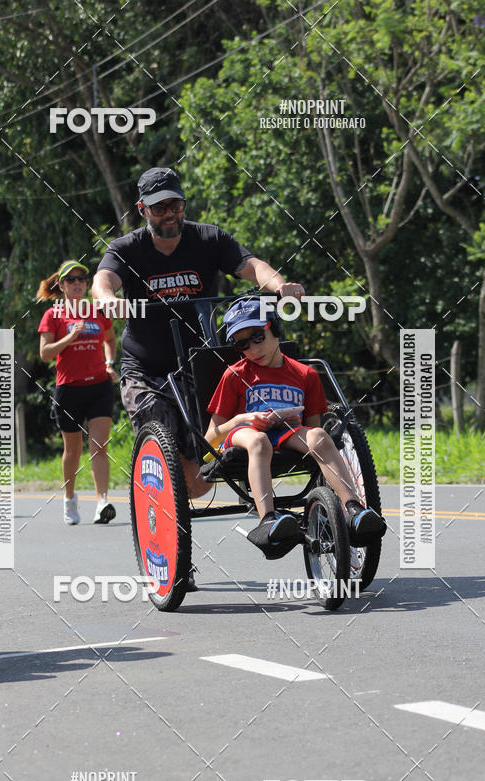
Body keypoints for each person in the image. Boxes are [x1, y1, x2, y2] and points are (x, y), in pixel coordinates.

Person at [91, 166, 306, 502]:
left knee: (200, 482)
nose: (169, 214)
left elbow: (252, 266)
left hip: (197, 365)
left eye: (175, 205)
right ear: (142, 209)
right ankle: (156, 496)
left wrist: (280, 286)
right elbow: (103, 281)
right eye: (159, 208)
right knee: (158, 425)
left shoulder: (208, 238)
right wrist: (108, 300)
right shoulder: (127, 248)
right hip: (146, 368)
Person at [204, 297, 387, 554]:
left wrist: (294, 422)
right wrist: (242, 419)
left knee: (320, 436)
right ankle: (267, 519)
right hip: (243, 434)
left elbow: (312, 429)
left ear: (275, 329)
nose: (253, 349)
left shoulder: (305, 375)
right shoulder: (235, 375)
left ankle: (354, 509)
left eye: (258, 337)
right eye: (242, 344)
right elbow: (210, 436)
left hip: (286, 431)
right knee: (259, 440)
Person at [37, 259, 118, 526]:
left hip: (98, 387)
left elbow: (110, 339)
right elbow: (45, 354)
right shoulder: (53, 315)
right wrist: (69, 338)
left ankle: (102, 502)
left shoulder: (97, 312)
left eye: (81, 279)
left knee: (99, 448)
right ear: (61, 286)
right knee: (72, 451)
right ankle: (70, 498)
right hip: (69, 390)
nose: (77, 284)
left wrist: (109, 364)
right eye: (70, 280)